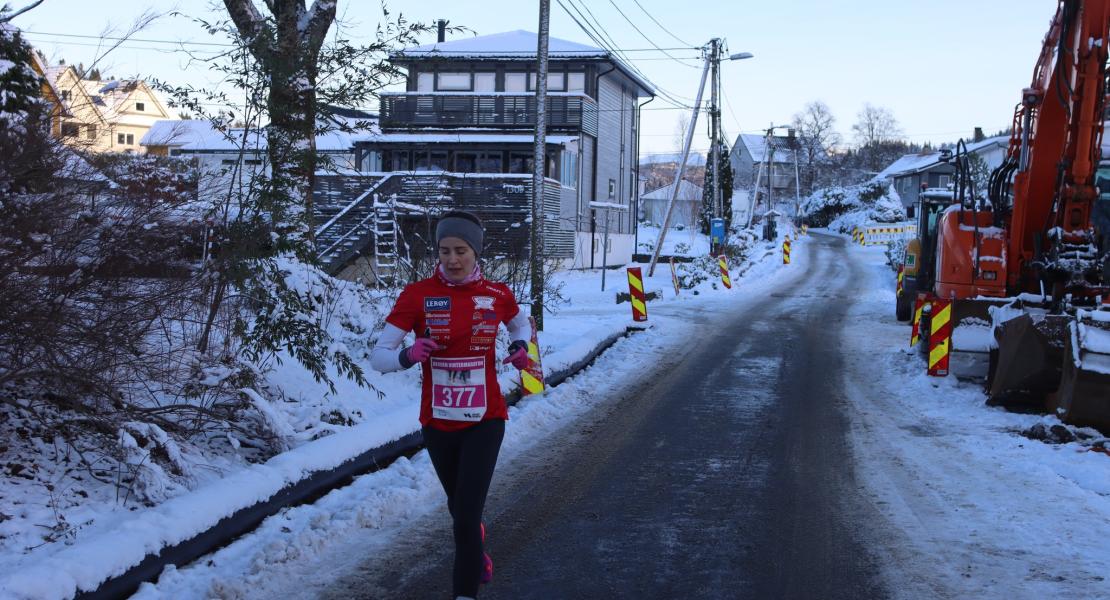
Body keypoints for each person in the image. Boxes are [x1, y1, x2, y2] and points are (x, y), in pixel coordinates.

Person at [371, 210, 531, 600]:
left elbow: (521, 324)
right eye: (444, 251)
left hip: (486, 419)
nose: (453, 259)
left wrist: (520, 346)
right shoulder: (417, 296)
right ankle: (477, 555)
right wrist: (409, 355)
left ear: (476, 252)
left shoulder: (497, 294)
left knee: (466, 515)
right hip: (438, 422)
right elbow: (379, 356)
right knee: (459, 509)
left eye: (461, 250)